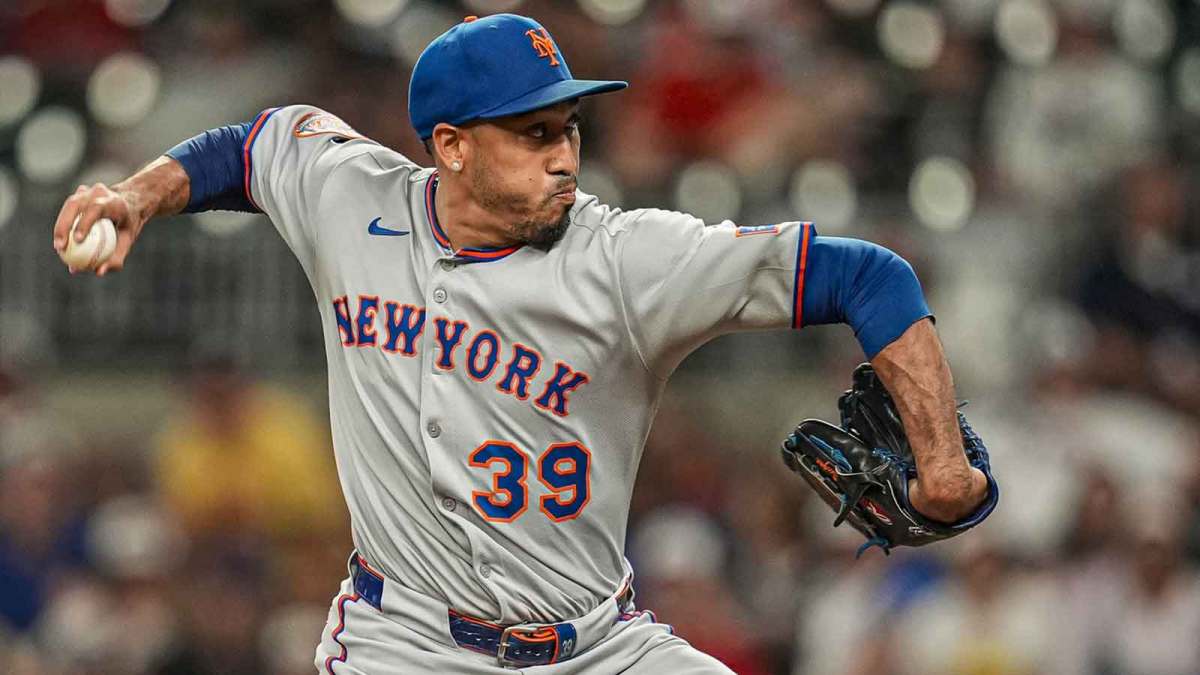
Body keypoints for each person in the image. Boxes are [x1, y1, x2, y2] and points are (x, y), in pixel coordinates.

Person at [52, 13, 989, 674]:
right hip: (404, 644)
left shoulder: (627, 259)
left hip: (599, 646)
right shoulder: (351, 196)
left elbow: (870, 276)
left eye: (569, 128)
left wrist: (942, 464)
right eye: (534, 133)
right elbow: (247, 150)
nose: (565, 156)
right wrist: (134, 196)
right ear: (451, 146)